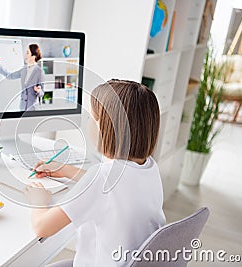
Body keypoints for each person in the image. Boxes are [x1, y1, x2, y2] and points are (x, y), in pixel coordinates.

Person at [23, 80, 166, 266]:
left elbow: (42, 228)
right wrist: (67, 170)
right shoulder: (149, 168)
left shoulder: (102, 177)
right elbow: (114, 191)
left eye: (93, 117)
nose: (89, 122)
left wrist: (38, 201)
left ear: (108, 128)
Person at [0, 44, 44, 111]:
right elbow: (10, 76)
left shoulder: (39, 71)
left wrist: (38, 90)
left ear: (33, 56)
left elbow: (42, 93)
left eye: (27, 53)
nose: (25, 55)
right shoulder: (24, 70)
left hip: (33, 109)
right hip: (22, 107)